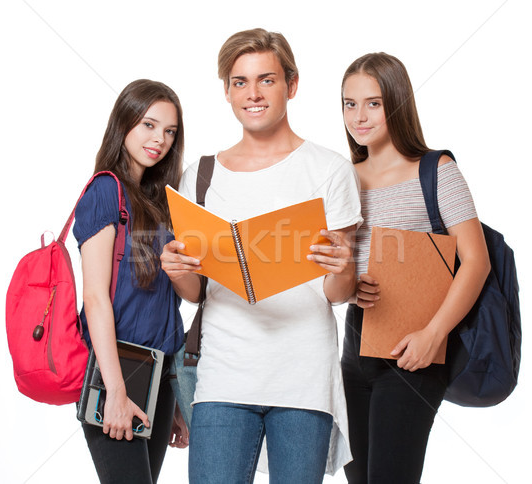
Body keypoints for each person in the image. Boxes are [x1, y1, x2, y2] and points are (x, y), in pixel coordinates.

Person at [160, 28, 362, 483]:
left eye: (266, 80)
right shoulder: (203, 175)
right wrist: (177, 271)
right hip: (223, 375)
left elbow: (338, 294)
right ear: (228, 92)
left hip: (303, 376)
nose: (252, 94)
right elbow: (196, 292)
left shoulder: (329, 170)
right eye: (239, 82)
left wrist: (344, 267)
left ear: (291, 85)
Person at [340, 52, 491, 483]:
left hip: (418, 343)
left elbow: (476, 262)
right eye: (350, 104)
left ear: (398, 103)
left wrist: (433, 334)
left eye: (373, 102)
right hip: (357, 341)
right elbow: (338, 262)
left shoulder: (436, 170)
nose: (359, 116)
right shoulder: (344, 175)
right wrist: (350, 286)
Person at [73, 79, 189, 484]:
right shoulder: (106, 191)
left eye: (170, 131)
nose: (160, 140)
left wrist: (172, 400)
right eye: (149, 125)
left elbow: (165, 305)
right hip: (117, 369)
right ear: (124, 123)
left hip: (159, 372)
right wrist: (115, 391)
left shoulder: (158, 203)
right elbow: (95, 298)